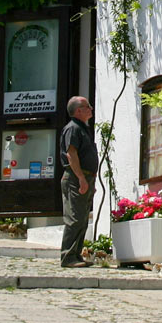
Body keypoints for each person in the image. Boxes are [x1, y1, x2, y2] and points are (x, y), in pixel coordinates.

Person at [59, 95, 98, 268]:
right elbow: (71, 154)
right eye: (87, 106)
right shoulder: (73, 128)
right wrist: (82, 178)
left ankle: (76, 254)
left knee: (82, 218)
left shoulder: (82, 128)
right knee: (75, 218)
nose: (91, 108)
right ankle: (68, 257)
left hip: (85, 177)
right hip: (76, 177)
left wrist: (91, 180)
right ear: (78, 110)